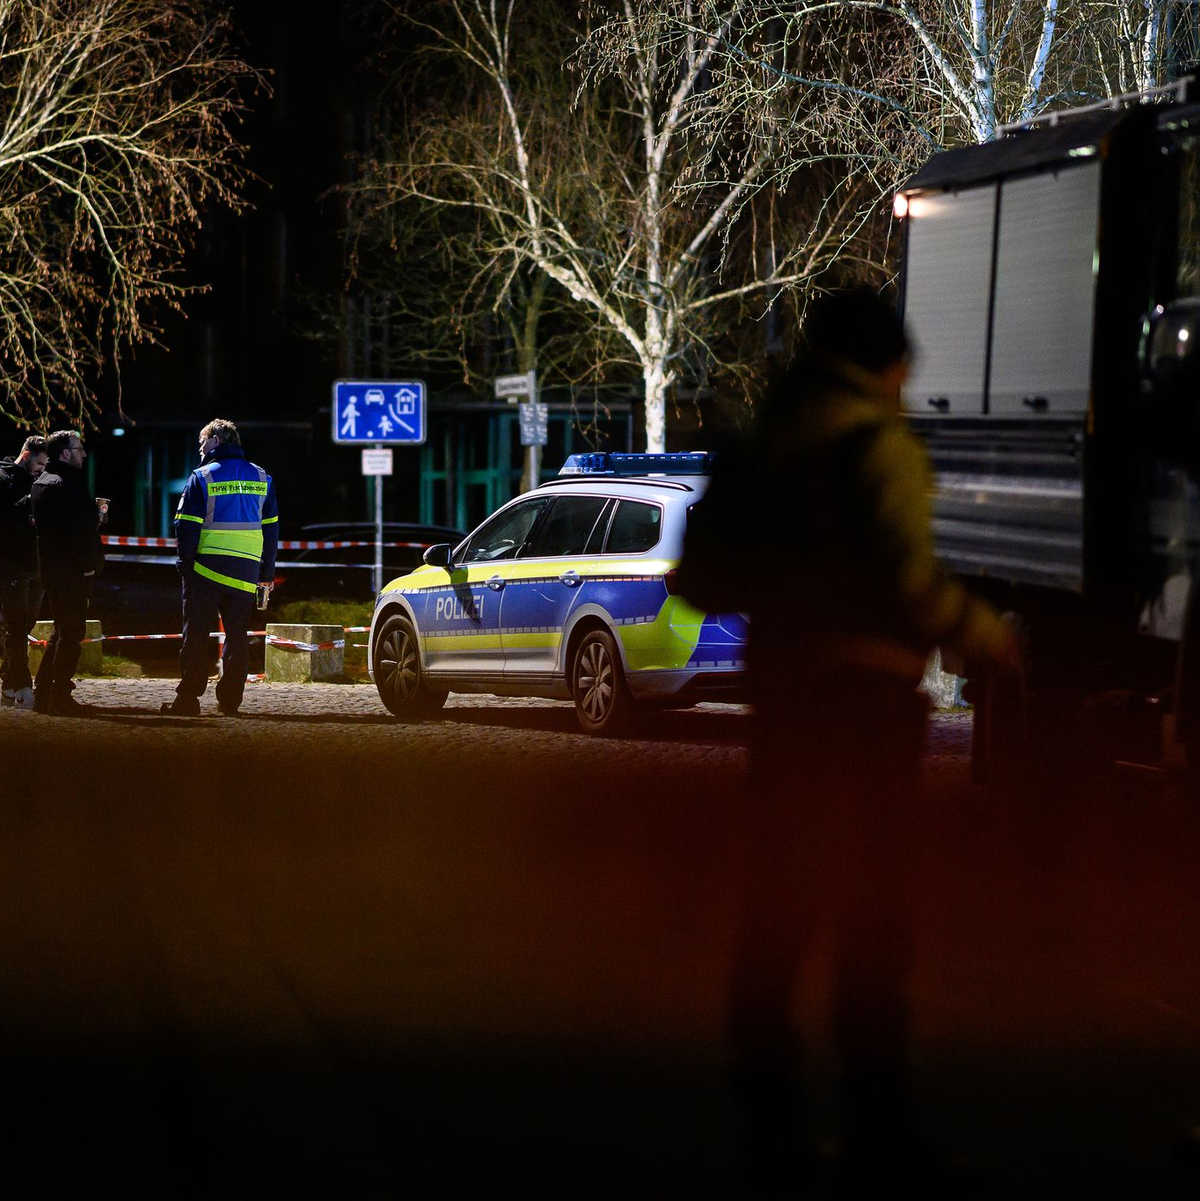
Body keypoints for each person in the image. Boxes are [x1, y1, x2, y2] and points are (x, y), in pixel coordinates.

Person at [681, 289, 1018, 1195]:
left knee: (776, 917)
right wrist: (983, 631)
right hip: (869, 715)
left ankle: (769, 1131)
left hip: (783, 713)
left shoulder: (764, 446)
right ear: (885, 367)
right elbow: (911, 581)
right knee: (875, 925)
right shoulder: (880, 448)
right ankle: (880, 1132)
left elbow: (698, 578)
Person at [163, 418, 278, 717]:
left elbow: (186, 527)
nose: (200, 448)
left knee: (196, 637)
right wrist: (266, 574)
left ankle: (188, 699)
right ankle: (230, 700)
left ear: (216, 441)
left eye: (203, 441)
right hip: (245, 573)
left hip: (206, 570)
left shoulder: (202, 477)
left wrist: (185, 564)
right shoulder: (262, 478)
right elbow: (271, 530)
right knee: (237, 637)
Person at [30, 430, 104, 716]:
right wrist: (89, 566)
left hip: (52, 570)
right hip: (72, 572)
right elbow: (77, 534)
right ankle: (58, 695)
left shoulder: (42, 483)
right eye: (78, 448)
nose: (83, 454)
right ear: (64, 453)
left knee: (62, 631)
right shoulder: (67, 484)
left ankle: (44, 693)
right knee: (72, 634)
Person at [0, 435, 49, 709]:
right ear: (27, 454)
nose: (42, 468)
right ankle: (22, 686)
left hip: (36, 564)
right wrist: (30, 501)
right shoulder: (4, 477)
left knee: (24, 626)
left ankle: (8, 683)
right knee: (17, 626)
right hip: (11, 564)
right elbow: (6, 520)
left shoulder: (40, 479)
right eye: (40, 463)